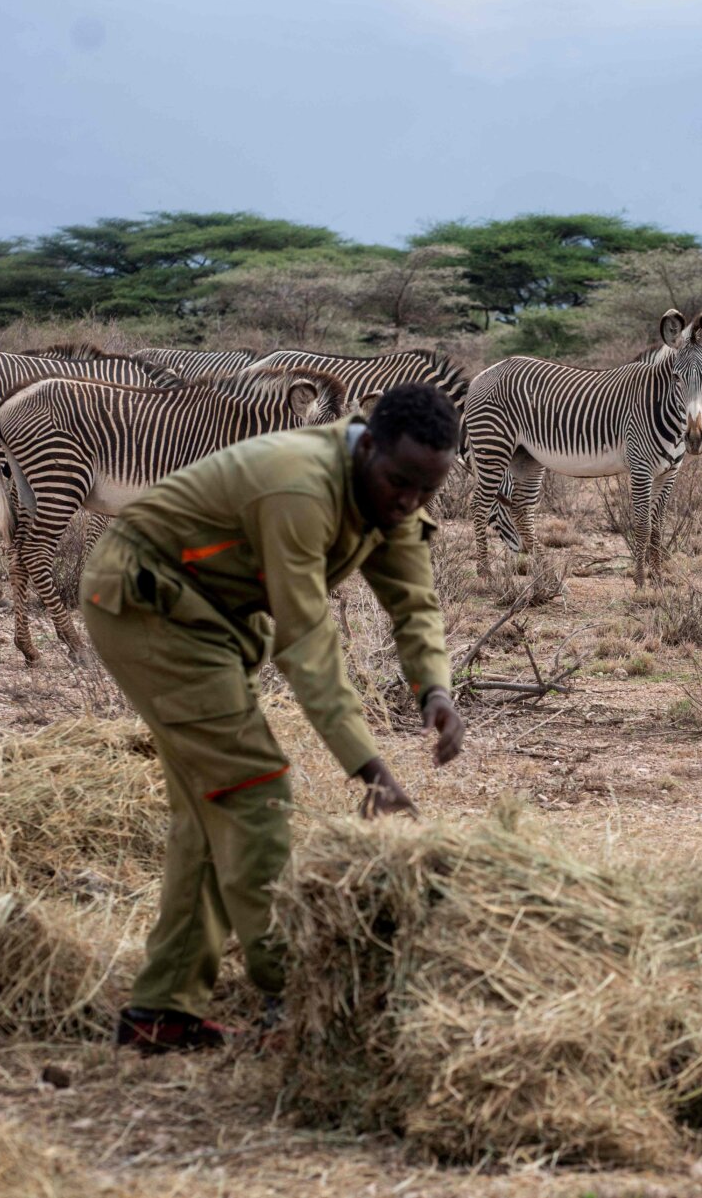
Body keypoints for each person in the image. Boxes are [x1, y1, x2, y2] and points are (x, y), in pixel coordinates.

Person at [80, 381, 467, 1054]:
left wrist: (434, 686)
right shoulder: (298, 488)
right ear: (366, 444)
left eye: (426, 493)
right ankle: (296, 992)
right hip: (147, 603)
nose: (408, 503)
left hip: (206, 620)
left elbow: (413, 598)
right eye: (401, 483)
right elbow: (306, 638)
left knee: (213, 805)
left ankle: (161, 1013)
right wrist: (369, 767)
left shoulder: (396, 491)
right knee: (254, 787)